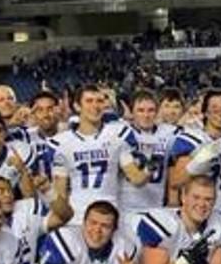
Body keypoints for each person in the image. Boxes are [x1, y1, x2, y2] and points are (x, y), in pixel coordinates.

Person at [48, 86, 147, 224]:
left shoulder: (117, 135)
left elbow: (136, 178)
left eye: (99, 101)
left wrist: (150, 167)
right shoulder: (61, 143)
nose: (95, 106)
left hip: (110, 216)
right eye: (89, 101)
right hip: (77, 218)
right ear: (77, 106)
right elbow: (61, 194)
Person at [168, 90, 221, 218]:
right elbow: (176, 181)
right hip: (196, 210)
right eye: (214, 109)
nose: (220, 114)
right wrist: (197, 163)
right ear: (205, 112)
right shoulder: (192, 139)